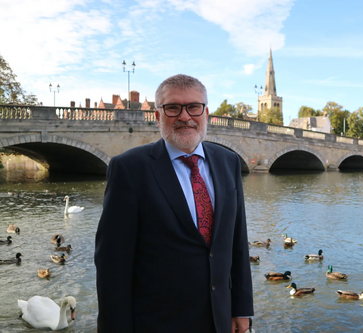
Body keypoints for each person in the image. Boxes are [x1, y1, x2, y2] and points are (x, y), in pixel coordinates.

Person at [95, 74, 254, 332]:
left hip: (220, 318)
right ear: (158, 116)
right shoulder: (129, 168)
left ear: (206, 113)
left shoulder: (229, 161)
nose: (184, 116)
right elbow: (112, 264)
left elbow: (237, 241)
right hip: (158, 322)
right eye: (173, 108)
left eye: (193, 106)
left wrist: (241, 307)